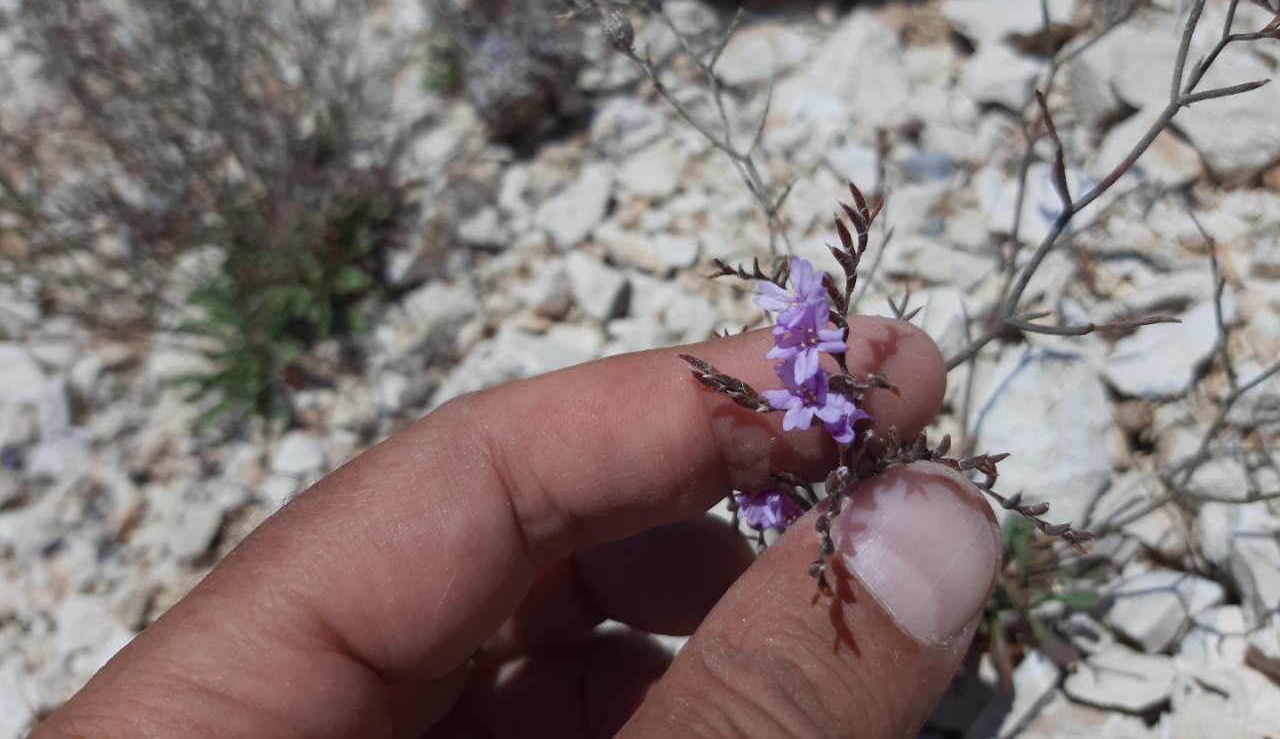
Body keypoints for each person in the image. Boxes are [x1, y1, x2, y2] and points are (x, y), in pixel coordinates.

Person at [32, 318, 1001, 738]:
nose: (791, 332)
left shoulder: (816, 377)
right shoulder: (801, 375)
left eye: (796, 328)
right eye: (794, 327)